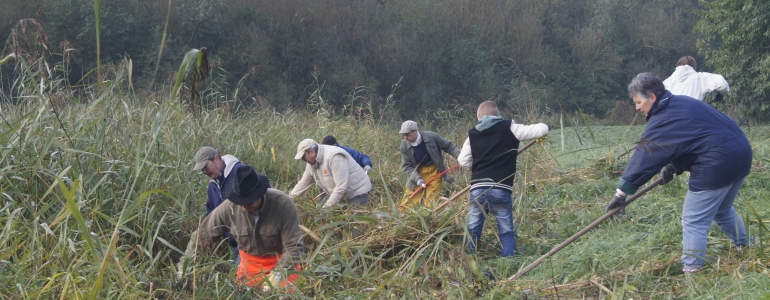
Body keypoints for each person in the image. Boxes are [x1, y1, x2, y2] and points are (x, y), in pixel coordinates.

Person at [607, 72, 751, 273]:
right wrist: (674, 166)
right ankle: (745, 247)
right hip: (741, 155)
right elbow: (697, 138)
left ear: (653, 98)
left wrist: (621, 194)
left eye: (639, 102)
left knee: (693, 219)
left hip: (718, 163)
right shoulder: (683, 103)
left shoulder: (664, 117)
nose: (637, 107)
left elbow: (645, 155)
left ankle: (692, 273)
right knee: (722, 209)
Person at [178, 165, 304, 292]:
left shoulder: (283, 204)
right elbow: (201, 236)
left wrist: (277, 274)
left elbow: (294, 246)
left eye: (248, 201)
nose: (243, 206)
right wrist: (183, 268)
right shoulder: (230, 207)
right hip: (249, 269)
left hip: (282, 265)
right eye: (240, 201)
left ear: (259, 194)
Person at [457, 101, 548, 257]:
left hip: (477, 188)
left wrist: (479, 168)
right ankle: (508, 264)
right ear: (497, 115)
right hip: (500, 187)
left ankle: (469, 264)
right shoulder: (510, 128)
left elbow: (463, 161)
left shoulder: (472, 134)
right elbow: (542, 129)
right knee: (505, 231)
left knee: (472, 229)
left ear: (480, 116)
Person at [192, 147, 271, 265]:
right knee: (241, 278)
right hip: (235, 243)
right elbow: (212, 215)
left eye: (205, 167)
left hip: (254, 240)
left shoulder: (240, 172)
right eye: (202, 169)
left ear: (217, 158)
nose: (204, 171)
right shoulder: (212, 186)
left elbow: (265, 194)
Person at [290, 139, 372, 208]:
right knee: (337, 222)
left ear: (312, 152)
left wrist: (326, 208)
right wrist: (287, 201)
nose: (303, 159)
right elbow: (302, 185)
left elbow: (341, 187)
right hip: (342, 195)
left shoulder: (334, 157)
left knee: (353, 224)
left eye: (303, 157)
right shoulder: (311, 164)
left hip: (358, 191)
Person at [399, 120, 461, 208]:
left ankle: (429, 218)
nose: (405, 137)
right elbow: (407, 166)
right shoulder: (404, 146)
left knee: (431, 202)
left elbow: (449, 146)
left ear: (415, 131)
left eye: (407, 134)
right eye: (403, 135)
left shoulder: (432, 137)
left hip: (434, 171)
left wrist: (459, 156)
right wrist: (418, 179)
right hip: (416, 173)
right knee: (409, 202)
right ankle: (404, 218)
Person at [662, 56, 729, 101]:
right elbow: (722, 85)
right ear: (693, 67)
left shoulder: (666, 82)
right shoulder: (700, 78)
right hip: (691, 119)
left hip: (669, 120)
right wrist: (721, 93)